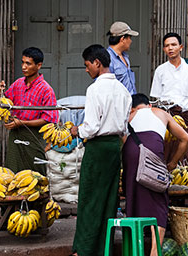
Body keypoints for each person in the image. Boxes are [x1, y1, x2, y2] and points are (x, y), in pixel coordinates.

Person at [70, 44, 132, 256]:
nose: (87, 70)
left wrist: (76, 130)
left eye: (87, 65)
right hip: (115, 148)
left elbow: (91, 127)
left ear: (97, 63)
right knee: (108, 200)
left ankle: (84, 250)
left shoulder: (94, 89)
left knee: (88, 200)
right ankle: (102, 250)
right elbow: (124, 126)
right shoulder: (124, 90)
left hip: (97, 148)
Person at [122, 93, 188, 256]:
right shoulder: (161, 113)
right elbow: (186, 139)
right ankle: (155, 251)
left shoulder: (129, 116)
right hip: (152, 154)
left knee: (133, 197)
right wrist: (173, 163)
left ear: (132, 108)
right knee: (159, 201)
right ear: (149, 105)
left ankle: (134, 249)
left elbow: (123, 140)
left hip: (131, 153)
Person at [0, 47, 59, 175]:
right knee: (12, 173)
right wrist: (0, 93)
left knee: (35, 174)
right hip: (16, 134)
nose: (24, 67)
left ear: (39, 65)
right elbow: (5, 105)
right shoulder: (18, 84)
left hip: (34, 136)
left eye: (28, 63)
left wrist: (22, 122)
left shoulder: (46, 90)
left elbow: (49, 119)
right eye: (23, 62)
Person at [150, 32, 188, 167]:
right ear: (164, 49)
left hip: (186, 118)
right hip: (167, 118)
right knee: (167, 155)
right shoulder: (160, 71)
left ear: (181, 47)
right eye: (167, 46)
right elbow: (155, 100)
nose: (170, 48)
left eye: (173, 45)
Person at [107, 21, 139, 95]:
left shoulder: (125, 57)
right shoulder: (107, 58)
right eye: (129, 38)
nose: (131, 41)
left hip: (131, 101)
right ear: (123, 39)